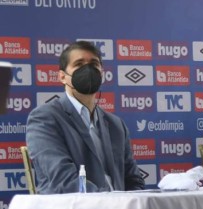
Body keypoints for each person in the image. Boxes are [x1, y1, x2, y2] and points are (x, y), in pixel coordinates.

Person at [26, 40, 145, 194]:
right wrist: (110, 203)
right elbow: (62, 180)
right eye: (79, 64)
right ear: (62, 77)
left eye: (94, 64)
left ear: (102, 73)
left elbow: (134, 181)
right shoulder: (45, 118)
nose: (88, 70)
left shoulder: (116, 124)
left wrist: (129, 207)